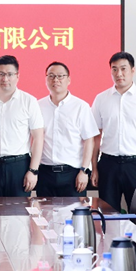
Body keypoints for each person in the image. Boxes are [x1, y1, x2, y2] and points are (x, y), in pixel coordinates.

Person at [90, 52, 136, 212]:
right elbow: (96, 136)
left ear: (133, 70)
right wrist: (94, 167)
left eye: (123, 69)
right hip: (108, 164)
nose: (119, 74)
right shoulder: (101, 99)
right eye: (114, 69)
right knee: (108, 213)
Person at [0, 55, 43, 197]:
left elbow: (38, 137)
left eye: (10, 74)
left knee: (19, 209)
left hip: (19, 166)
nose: (5, 79)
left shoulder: (29, 101)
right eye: (1, 74)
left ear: (17, 76)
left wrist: (33, 170)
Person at [36, 61, 99, 197]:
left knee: (74, 211)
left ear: (68, 80)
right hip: (44, 173)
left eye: (60, 76)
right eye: (51, 76)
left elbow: (89, 140)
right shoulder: (38, 106)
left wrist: (84, 170)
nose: (55, 80)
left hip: (73, 174)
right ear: (46, 79)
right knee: (45, 210)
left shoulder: (81, 106)